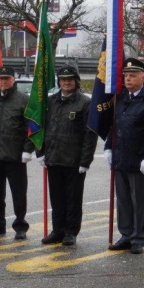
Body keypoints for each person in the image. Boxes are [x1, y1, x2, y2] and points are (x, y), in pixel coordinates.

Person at [105, 58, 144, 254]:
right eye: (126, 75)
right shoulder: (120, 98)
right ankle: (125, 234)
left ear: (143, 77)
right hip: (121, 157)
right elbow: (114, 125)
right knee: (123, 200)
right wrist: (108, 147)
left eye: (133, 75)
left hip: (139, 160)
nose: (128, 79)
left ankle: (138, 238)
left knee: (138, 201)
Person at [38, 63, 97, 246]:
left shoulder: (85, 102)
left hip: (74, 160)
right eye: (63, 80)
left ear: (76, 81)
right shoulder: (51, 101)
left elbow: (90, 134)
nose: (66, 83)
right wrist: (40, 152)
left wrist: (85, 161)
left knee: (73, 199)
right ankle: (57, 230)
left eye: (70, 79)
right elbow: (41, 127)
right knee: (57, 198)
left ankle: (71, 232)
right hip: (54, 158)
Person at [0, 66, 34, 240]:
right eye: (1, 79)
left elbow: (31, 127)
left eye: (7, 79)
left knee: (18, 193)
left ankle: (20, 226)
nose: (3, 82)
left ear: (13, 80)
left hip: (15, 155)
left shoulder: (24, 100)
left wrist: (28, 149)